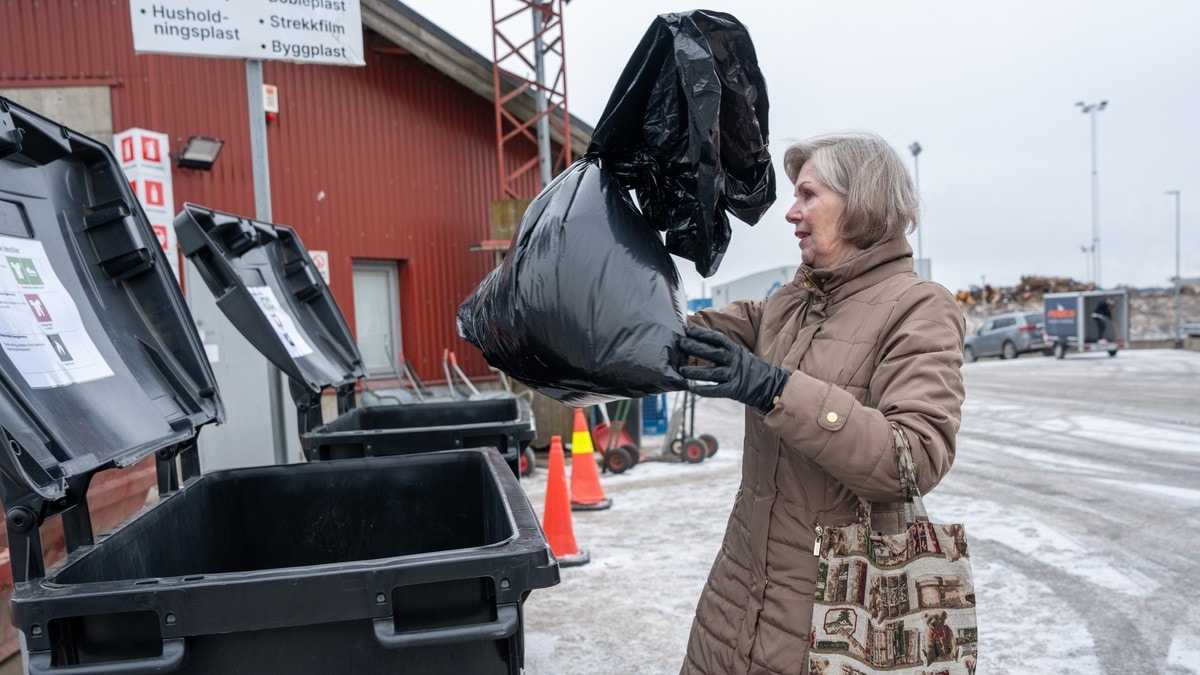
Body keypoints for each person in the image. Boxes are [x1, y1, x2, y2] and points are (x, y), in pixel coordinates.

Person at [674, 132, 967, 674]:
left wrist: (775, 389)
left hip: (840, 614)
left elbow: (913, 460)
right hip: (739, 590)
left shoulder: (920, 307)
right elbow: (677, 339)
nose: (791, 213)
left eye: (808, 195)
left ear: (860, 201)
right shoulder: (788, 304)